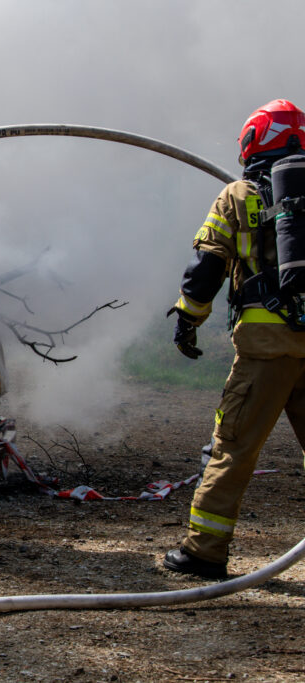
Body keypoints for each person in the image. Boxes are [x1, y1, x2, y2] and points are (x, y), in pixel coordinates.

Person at [163, 99, 305, 579]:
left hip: (267, 348)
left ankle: (203, 552)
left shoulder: (238, 195)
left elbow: (207, 267)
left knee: (233, 446)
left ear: (254, 140)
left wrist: (188, 318)